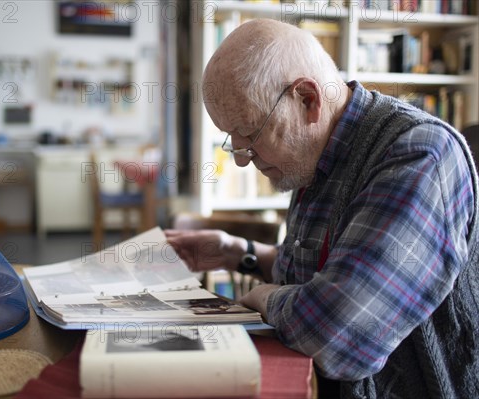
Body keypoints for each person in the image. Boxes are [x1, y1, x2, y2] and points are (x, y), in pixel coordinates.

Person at [165, 19, 479, 399]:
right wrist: (239, 253)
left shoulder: (420, 156)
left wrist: (263, 298)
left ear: (308, 100)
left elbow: (336, 335)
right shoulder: (315, 153)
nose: (243, 161)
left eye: (250, 133)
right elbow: (321, 273)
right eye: (233, 141)